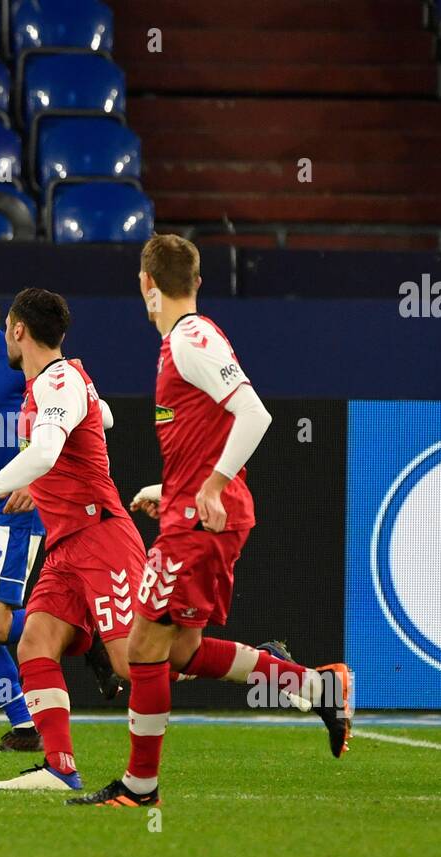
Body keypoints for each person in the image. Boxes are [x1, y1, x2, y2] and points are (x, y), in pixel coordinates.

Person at [68, 234, 352, 808]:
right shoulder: (184, 341)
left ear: (146, 284)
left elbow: (254, 412)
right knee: (180, 653)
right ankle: (318, 687)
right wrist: (171, 488)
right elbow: (212, 433)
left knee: (144, 650)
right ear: (196, 281)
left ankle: (140, 788)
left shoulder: (191, 340)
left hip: (199, 525)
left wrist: (213, 485)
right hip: (192, 515)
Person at [0, 289, 144, 792]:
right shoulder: (53, 384)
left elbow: (46, 450)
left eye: (7, 328)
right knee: (34, 643)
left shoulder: (58, 379)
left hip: (101, 537)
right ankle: (59, 767)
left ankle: (269, 665)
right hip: (67, 547)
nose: (5, 335)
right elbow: (101, 416)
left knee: (134, 663)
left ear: (18, 330)